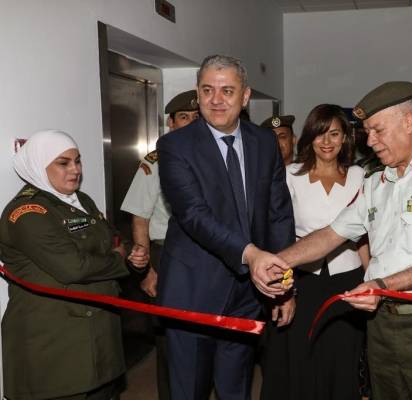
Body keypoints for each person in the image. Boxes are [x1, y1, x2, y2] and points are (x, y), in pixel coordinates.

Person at [250, 81, 412, 400]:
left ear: (408, 122)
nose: (370, 141)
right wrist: (277, 262)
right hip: (381, 323)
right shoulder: (376, 183)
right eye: (367, 132)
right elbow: (330, 234)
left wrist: (383, 285)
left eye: (377, 130)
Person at [156, 54, 295, 400]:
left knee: (236, 387)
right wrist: (250, 254)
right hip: (193, 289)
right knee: (190, 389)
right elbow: (193, 215)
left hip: (249, 291)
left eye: (227, 91)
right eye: (207, 90)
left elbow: (278, 213)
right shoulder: (174, 146)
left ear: (245, 96)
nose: (216, 100)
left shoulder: (264, 142)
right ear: (198, 94)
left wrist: (283, 283)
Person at [0, 129, 148, 400]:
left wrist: (133, 255)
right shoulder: (27, 213)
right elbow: (74, 268)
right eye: (63, 163)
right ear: (38, 165)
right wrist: (118, 258)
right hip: (57, 345)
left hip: (100, 337)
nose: (75, 170)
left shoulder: (82, 201)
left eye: (77, 161)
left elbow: (114, 239)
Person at [261, 104, 369, 400]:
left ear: (345, 137)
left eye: (334, 134)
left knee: (343, 355)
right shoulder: (290, 175)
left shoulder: (360, 176)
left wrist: (371, 278)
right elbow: (278, 234)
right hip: (302, 280)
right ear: (309, 138)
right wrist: (282, 287)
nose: (327, 142)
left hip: (347, 280)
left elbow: (364, 237)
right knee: (301, 356)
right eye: (320, 134)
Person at [120, 89, 199, 400]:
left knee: (203, 332)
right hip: (166, 254)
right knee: (171, 336)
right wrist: (147, 271)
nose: (191, 123)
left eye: (196, 117)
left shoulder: (212, 157)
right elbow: (139, 217)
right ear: (171, 123)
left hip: (204, 255)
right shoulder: (155, 161)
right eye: (184, 117)